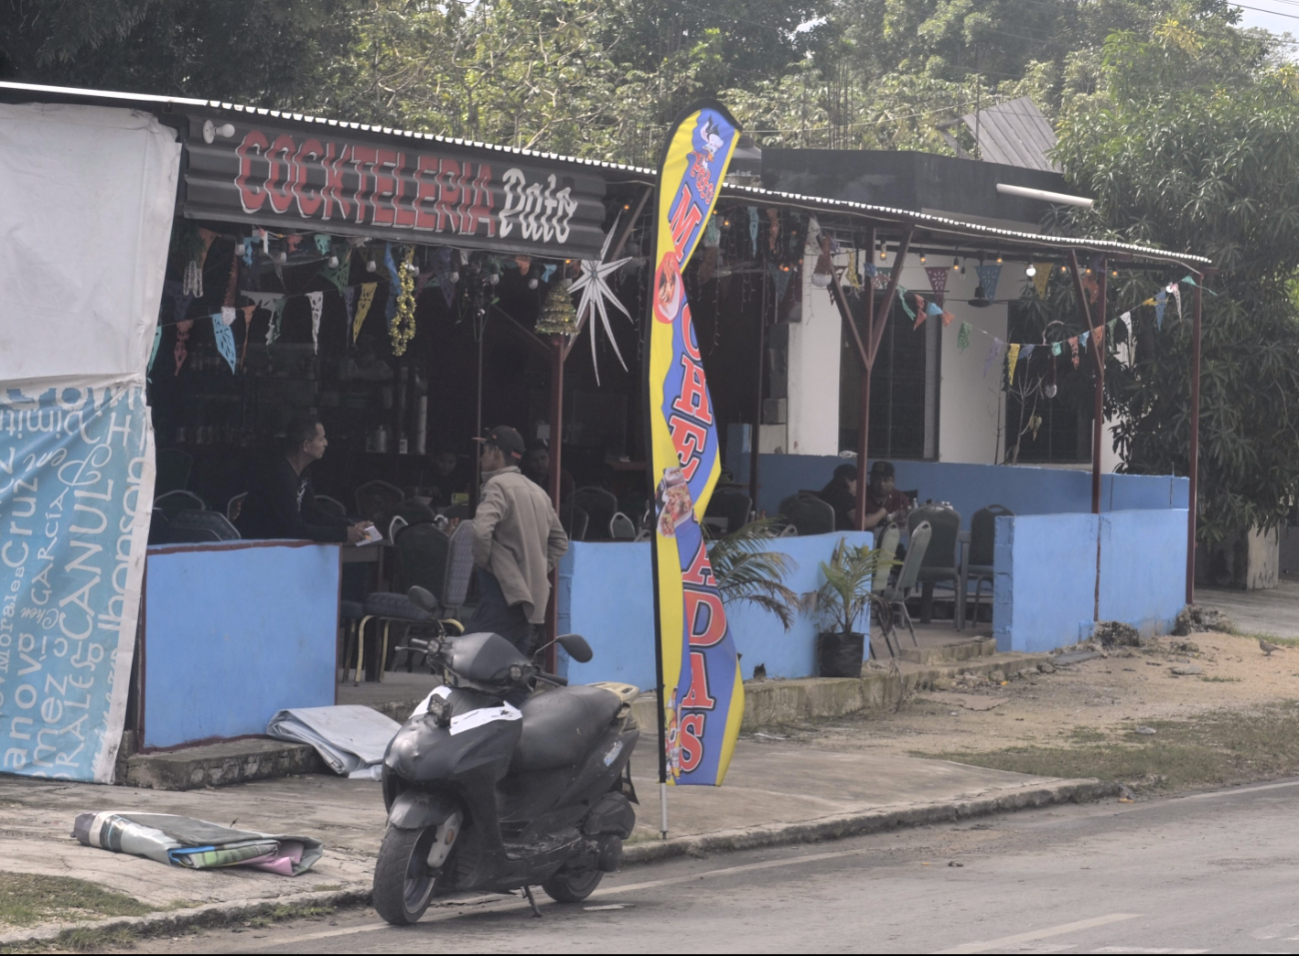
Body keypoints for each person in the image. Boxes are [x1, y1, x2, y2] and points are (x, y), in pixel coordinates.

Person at [468, 426, 569, 653]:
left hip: (502, 588)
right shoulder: (537, 491)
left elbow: (480, 531)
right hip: (528, 594)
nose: (482, 457)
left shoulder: (497, 485)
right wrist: (534, 567)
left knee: (469, 657)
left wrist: (485, 562)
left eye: (485, 450)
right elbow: (560, 541)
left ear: (496, 453)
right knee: (514, 669)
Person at [237, 416, 374, 543]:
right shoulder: (279, 476)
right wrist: (344, 534)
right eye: (321, 439)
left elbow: (312, 513)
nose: (326, 443)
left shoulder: (303, 471)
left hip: (282, 546)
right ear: (306, 446)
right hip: (256, 547)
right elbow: (294, 528)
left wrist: (352, 525)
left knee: (367, 545)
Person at [863, 460, 912, 531]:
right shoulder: (862, 496)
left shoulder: (899, 497)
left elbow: (909, 522)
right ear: (870, 479)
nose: (881, 484)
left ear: (893, 481)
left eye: (886, 480)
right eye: (877, 479)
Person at [818, 462, 859, 531]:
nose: (858, 486)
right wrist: (882, 512)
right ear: (848, 481)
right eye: (856, 482)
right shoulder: (844, 496)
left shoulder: (828, 490)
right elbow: (861, 522)